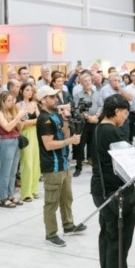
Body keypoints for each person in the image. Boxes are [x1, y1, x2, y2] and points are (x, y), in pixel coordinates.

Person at [91, 94, 135, 268]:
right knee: (119, 241)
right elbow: (129, 160)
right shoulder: (112, 131)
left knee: (108, 237)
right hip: (114, 193)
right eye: (125, 113)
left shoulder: (98, 128)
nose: (126, 118)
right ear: (116, 111)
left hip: (100, 190)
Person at [36, 85, 85, 247]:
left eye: (55, 96)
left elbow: (64, 134)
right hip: (53, 166)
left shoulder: (55, 115)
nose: (55, 99)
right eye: (51, 97)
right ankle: (51, 235)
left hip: (63, 164)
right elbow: (48, 144)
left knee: (66, 198)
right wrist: (69, 141)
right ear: (43, 100)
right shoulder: (44, 119)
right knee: (51, 203)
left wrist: (65, 120)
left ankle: (68, 225)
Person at [0, 91, 24, 208]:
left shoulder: (11, 112)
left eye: (12, 100)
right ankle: (3, 197)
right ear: (2, 101)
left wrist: (20, 120)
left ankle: (10, 195)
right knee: (5, 172)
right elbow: (7, 127)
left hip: (15, 140)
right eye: (9, 101)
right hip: (6, 142)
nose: (11, 103)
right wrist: (17, 117)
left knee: (13, 171)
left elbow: (19, 128)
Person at [17, 84, 40, 201]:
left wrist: (30, 122)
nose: (30, 92)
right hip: (25, 135)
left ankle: (34, 190)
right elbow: (20, 123)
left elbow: (40, 119)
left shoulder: (34, 104)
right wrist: (33, 121)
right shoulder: (18, 105)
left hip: (35, 134)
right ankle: (26, 193)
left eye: (31, 90)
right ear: (21, 91)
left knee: (36, 163)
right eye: (27, 90)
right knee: (27, 164)